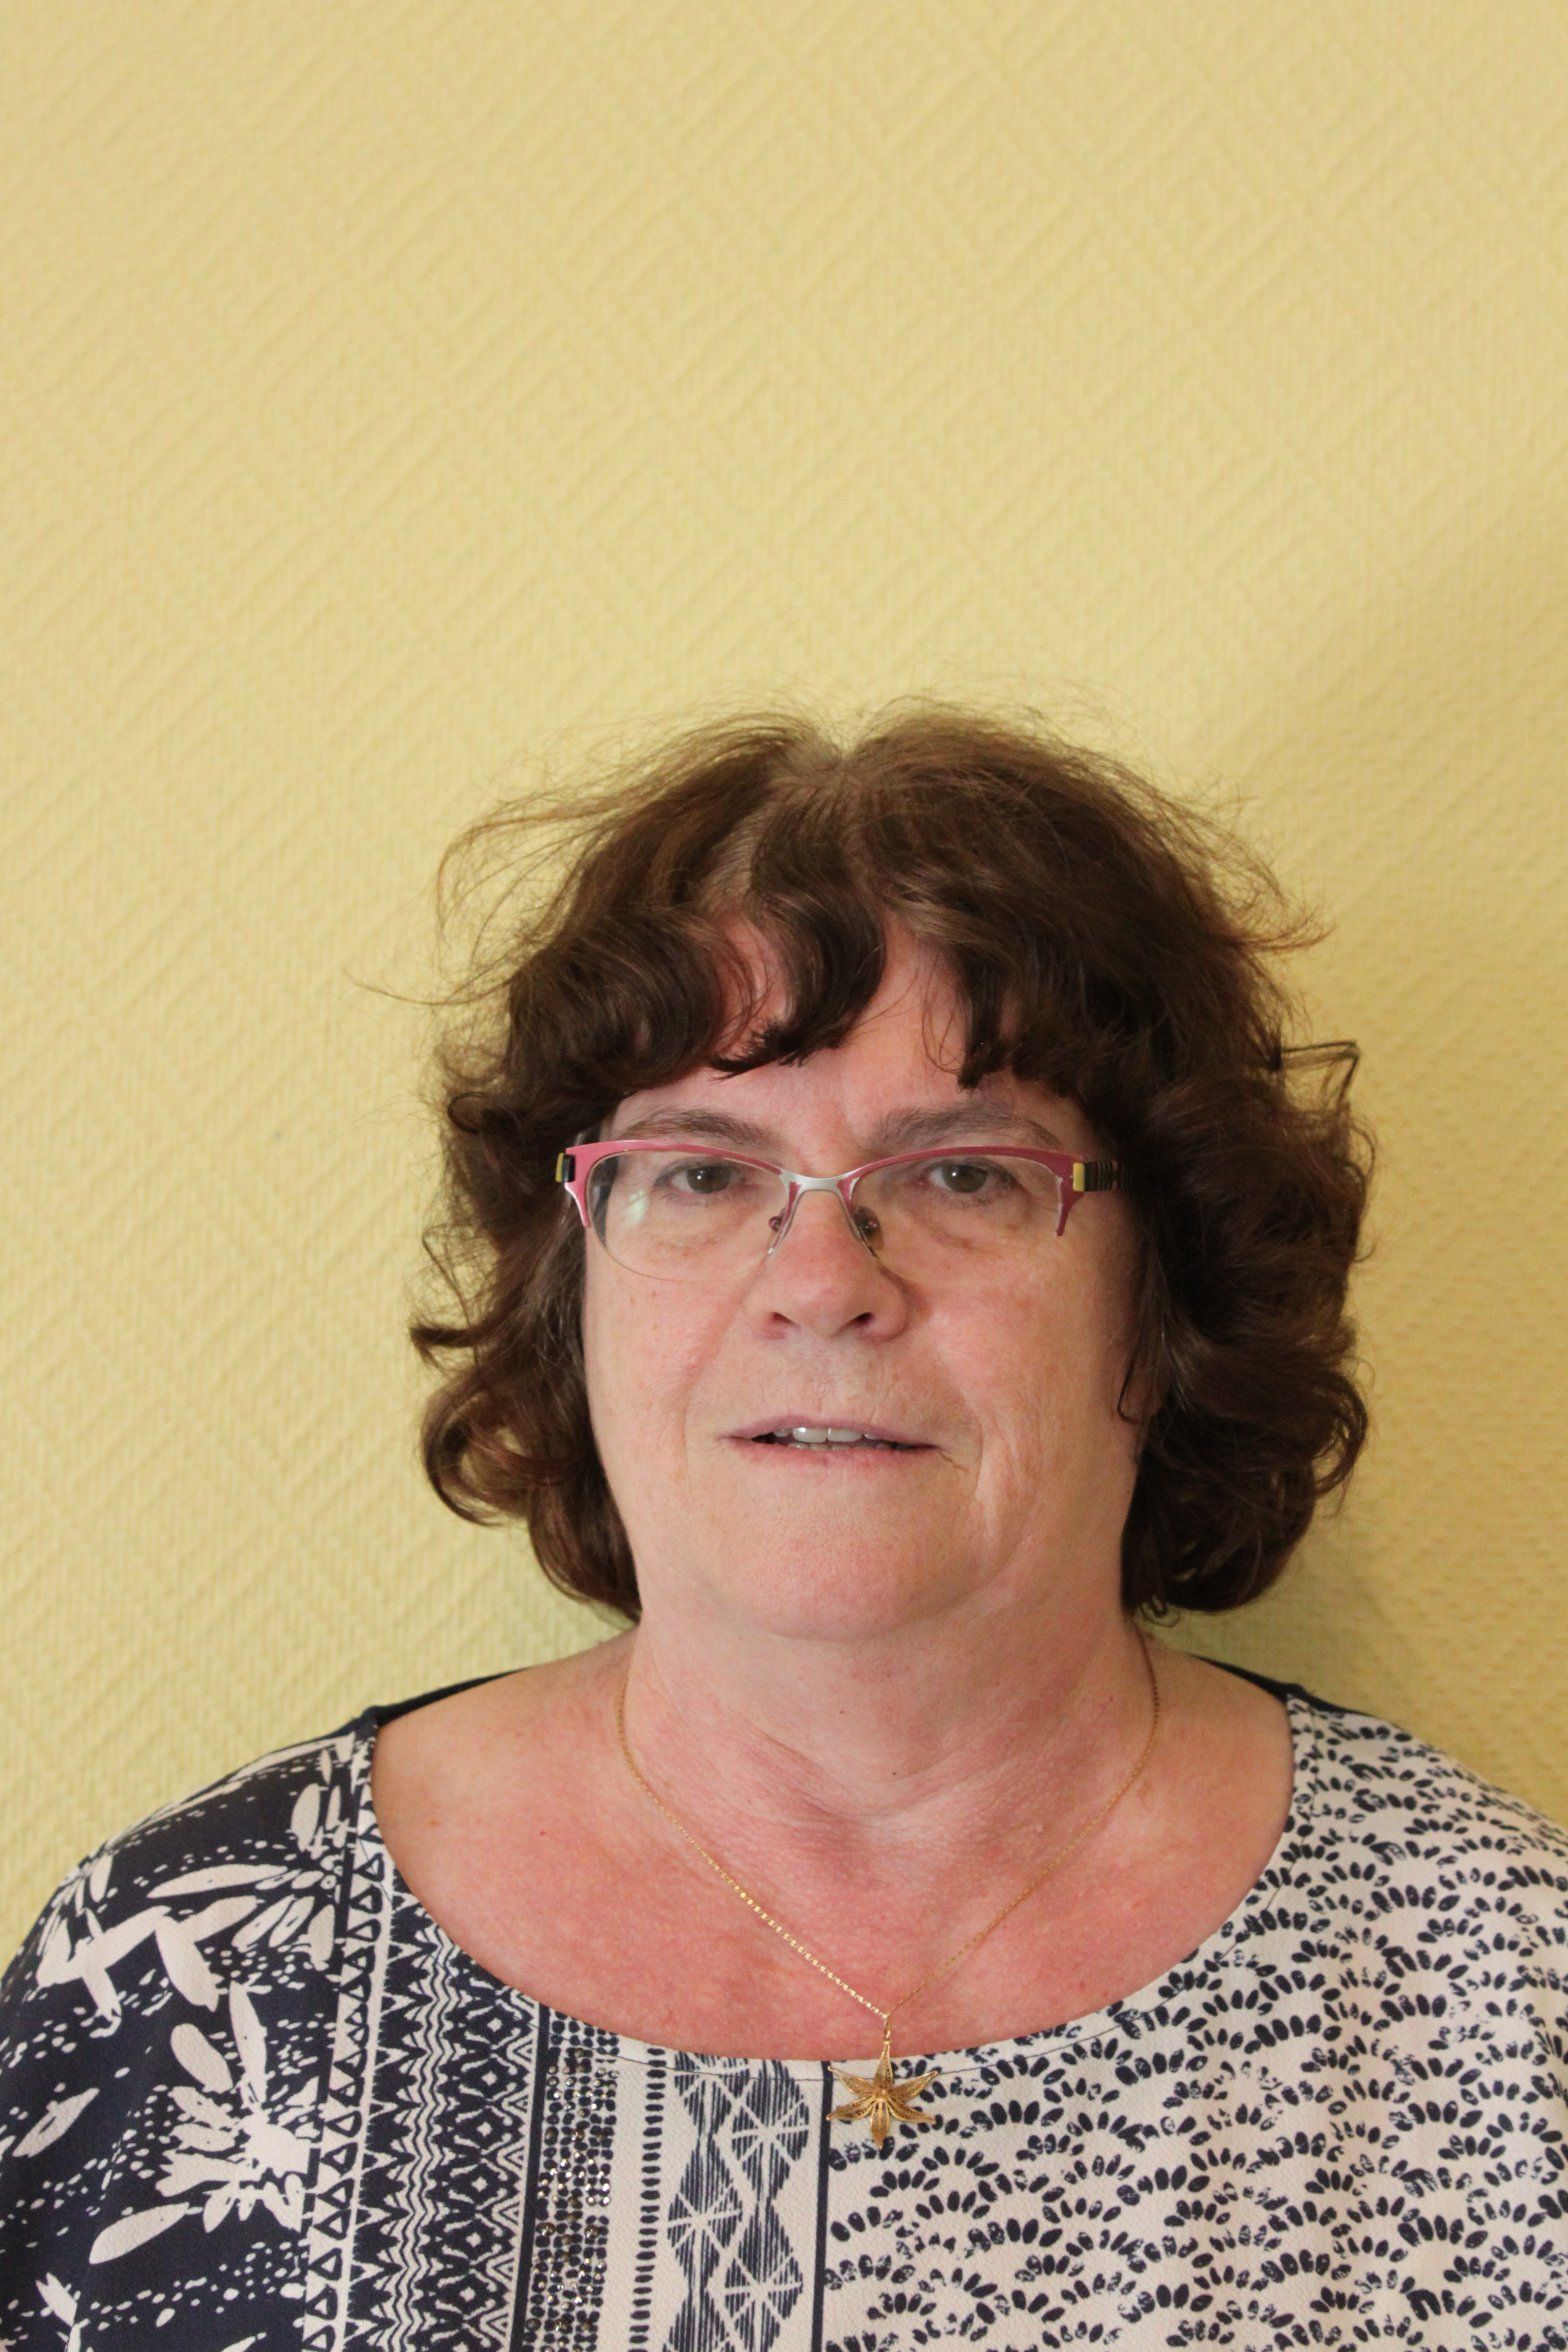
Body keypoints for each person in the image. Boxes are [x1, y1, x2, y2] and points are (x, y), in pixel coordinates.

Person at [2, 702, 1565, 2349]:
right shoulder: (186, 1981)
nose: (821, 1282)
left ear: (1169, 1290)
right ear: (569, 1288)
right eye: (702, 1173)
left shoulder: (1499, 2000)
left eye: (963, 1176)